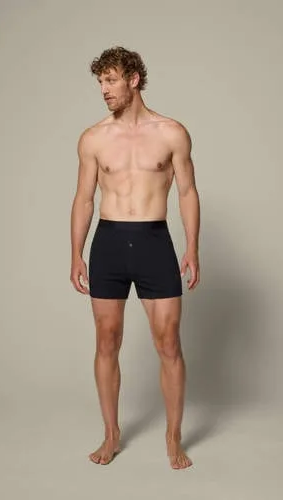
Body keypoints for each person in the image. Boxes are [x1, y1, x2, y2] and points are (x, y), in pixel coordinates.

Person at [70, 46, 201, 470]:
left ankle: (173, 436)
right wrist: (76, 253)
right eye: (100, 82)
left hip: (153, 242)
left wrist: (192, 247)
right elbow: (84, 199)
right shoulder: (93, 138)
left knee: (169, 343)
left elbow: (187, 192)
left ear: (133, 80)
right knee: (106, 340)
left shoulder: (172, 133)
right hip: (108, 242)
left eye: (110, 80)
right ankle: (111, 434)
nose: (104, 90)